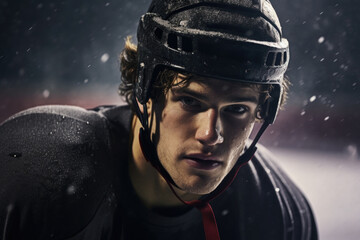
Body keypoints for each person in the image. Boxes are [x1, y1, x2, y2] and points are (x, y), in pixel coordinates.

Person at [0, 0, 317, 239]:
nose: (211, 134)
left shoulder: (278, 213)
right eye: (190, 101)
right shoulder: (35, 177)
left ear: (263, 111)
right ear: (144, 91)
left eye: (237, 109)